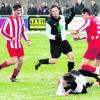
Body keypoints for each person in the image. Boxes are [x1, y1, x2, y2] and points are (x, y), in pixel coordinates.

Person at [35, 5, 75, 72]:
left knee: (71, 56)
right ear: (51, 13)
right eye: (53, 11)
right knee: (54, 61)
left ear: (58, 10)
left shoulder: (62, 17)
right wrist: (55, 37)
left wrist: (73, 14)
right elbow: (47, 34)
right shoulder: (49, 22)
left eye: (56, 11)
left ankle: (70, 75)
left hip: (64, 41)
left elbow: (67, 21)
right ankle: (40, 61)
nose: (55, 12)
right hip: (55, 44)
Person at [0, 3, 31, 82]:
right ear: (13, 11)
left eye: (20, 10)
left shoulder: (21, 20)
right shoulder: (8, 20)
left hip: (19, 44)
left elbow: (23, 31)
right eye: (17, 10)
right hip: (11, 44)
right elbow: (2, 31)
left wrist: (27, 40)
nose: (19, 12)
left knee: (21, 61)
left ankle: (13, 77)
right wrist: (10, 38)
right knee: (14, 61)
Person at [71, 7, 100, 75]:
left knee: (82, 67)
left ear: (86, 13)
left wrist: (77, 31)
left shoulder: (89, 19)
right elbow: (93, 34)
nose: (83, 17)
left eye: (83, 15)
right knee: (95, 66)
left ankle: (96, 71)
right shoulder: (96, 20)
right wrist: (79, 38)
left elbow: (86, 25)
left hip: (94, 45)